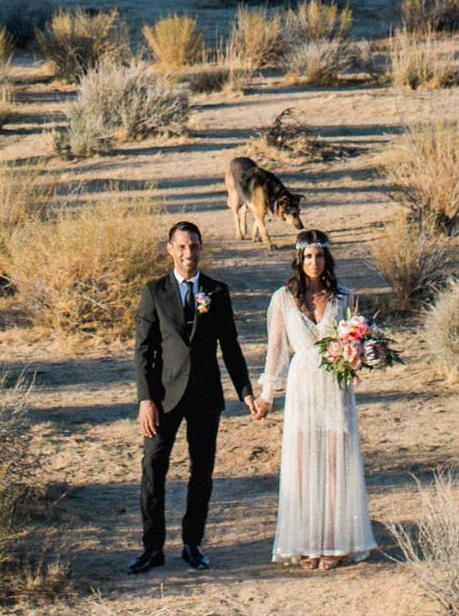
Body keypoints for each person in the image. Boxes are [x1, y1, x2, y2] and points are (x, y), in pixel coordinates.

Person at [130, 219, 255, 573]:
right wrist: (146, 400)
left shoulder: (216, 291)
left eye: (195, 246)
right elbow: (143, 351)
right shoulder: (154, 291)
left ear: (201, 249)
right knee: (153, 467)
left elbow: (230, 346)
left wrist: (245, 391)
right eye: (182, 247)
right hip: (163, 397)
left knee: (202, 471)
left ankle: (192, 543)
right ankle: (152, 548)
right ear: (170, 249)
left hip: (205, 395)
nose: (189, 253)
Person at [258, 229, 374, 569]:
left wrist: (360, 355)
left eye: (319, 255)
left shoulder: (343, 297)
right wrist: (267, 394)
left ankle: (335, 543)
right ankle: (308, 542)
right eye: (308, 256)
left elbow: (358, 341)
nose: (314, 262)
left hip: (334, 385)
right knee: (304, 463)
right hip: (302, 385)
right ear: (298, 259)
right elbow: (276, 350)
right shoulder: (282, 298)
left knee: (336, 462)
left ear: (327, 259)